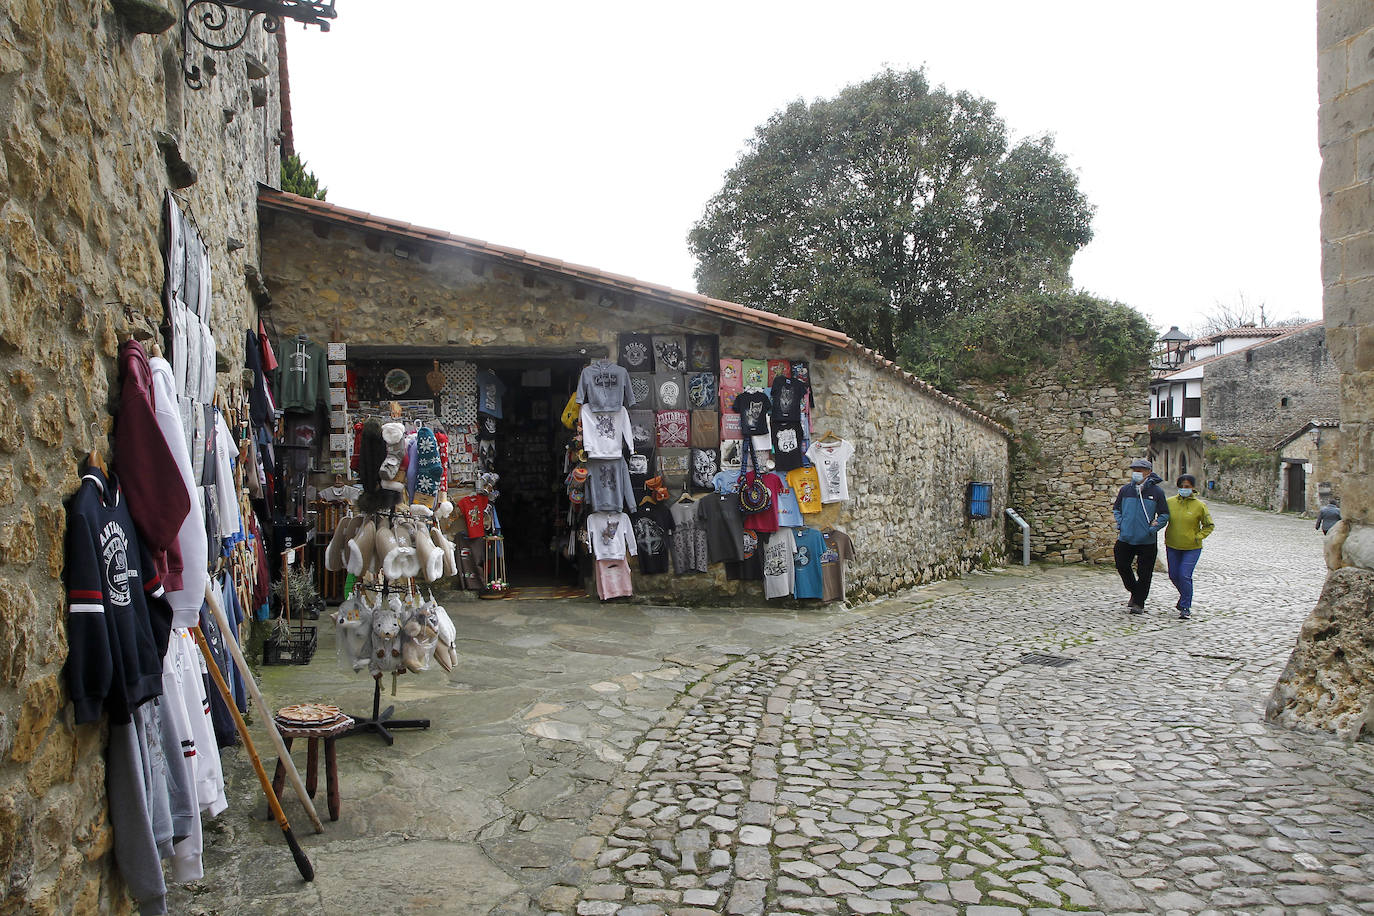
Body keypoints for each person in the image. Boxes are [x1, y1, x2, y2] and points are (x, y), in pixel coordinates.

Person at [1112, 458, 1169, 614]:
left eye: (1141, 470)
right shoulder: (1125, 490)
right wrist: (1121, 524)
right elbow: (1116, 509)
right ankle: (1134, 591)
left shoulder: (1157, 492)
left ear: (1148, 472)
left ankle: (1139, 602)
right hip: (1126, 537)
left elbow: (1164, 514)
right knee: (1122, 565)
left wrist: (1153, 528)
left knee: (1145, 572)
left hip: (1146, 540)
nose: (1137, 473)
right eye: (1135, 470)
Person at [1164, 474, 1214, 620]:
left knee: (1185, 575)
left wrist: (1197, 536)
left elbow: (1209, 525)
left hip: (1192, 547)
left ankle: (1186, 607)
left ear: (1192, 488)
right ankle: (1184, 596)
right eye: (1181, 487)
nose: (1184, 489)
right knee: (1173, 575)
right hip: (1173, 545)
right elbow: (1161, 517)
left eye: (1187, 487)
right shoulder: (1170, 502)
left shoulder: (1200, 506)